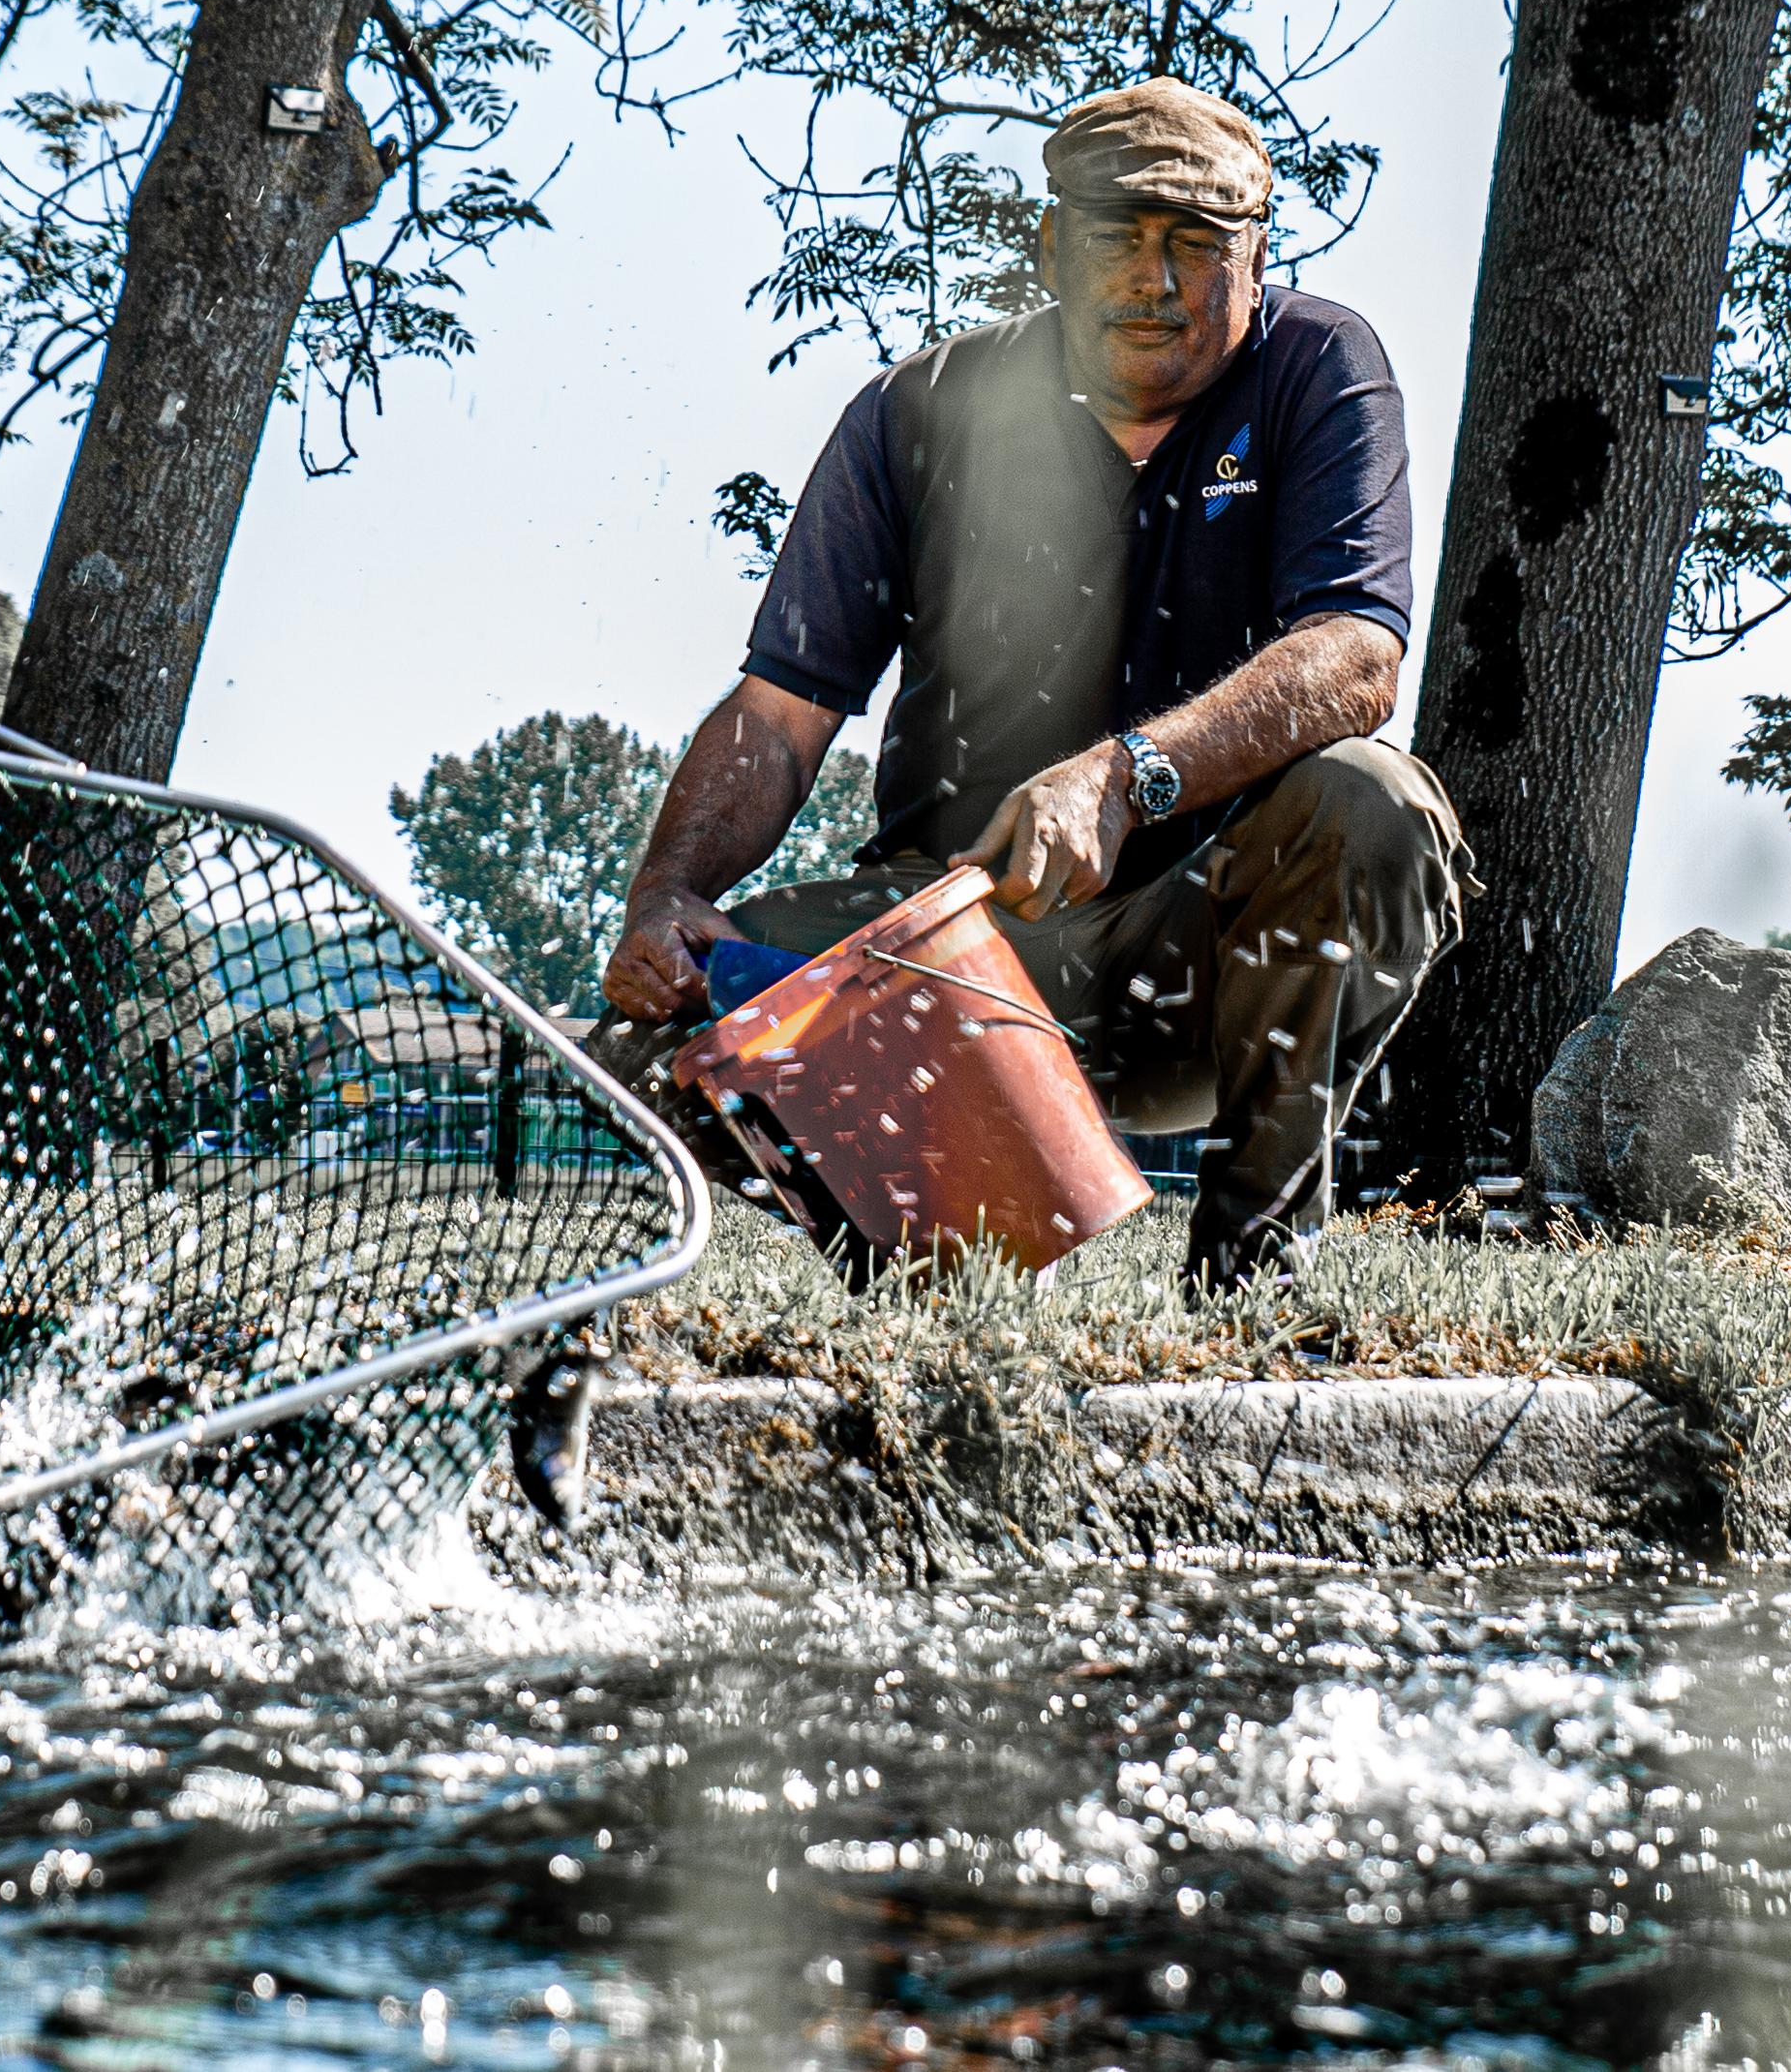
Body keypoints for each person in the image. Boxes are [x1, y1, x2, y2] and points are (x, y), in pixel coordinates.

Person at [597, 81, 1472, 1293]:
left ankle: (1252, 1278)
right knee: (652, 1044)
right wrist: (668, 892)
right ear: (1051, 243)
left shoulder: (1322, 366)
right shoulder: (920, 410)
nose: (1155, 280)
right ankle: (957, 1259)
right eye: (1119, 236)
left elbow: (1359, 654)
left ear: (1260, 250)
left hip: (1203, 958)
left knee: (1375, 801)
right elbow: (776, 715)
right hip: (945, 951)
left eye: (1197, 245)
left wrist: (1125, 777)